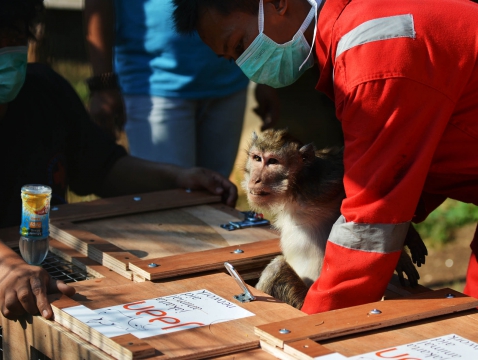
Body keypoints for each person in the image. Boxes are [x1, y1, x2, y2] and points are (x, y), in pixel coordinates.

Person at [172, 0, 478, 313]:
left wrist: (313, 329)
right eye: (233, 58)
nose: (245, 65)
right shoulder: (357, 26)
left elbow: (370, 215)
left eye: (239, 45)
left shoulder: (371, 54)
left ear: (278, 4)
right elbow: (422, 145)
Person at [0, 0, 237, 321]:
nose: (5, 52)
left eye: (12, 38)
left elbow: (105, 167)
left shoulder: (45, 90)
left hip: (44, 279)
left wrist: (178, 177)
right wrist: (4, 266)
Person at [84, 0, 250, 177]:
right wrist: (103, 85)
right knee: (167, 196)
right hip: (152, 81)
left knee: (218, 191)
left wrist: (263, 79)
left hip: (230, 81)